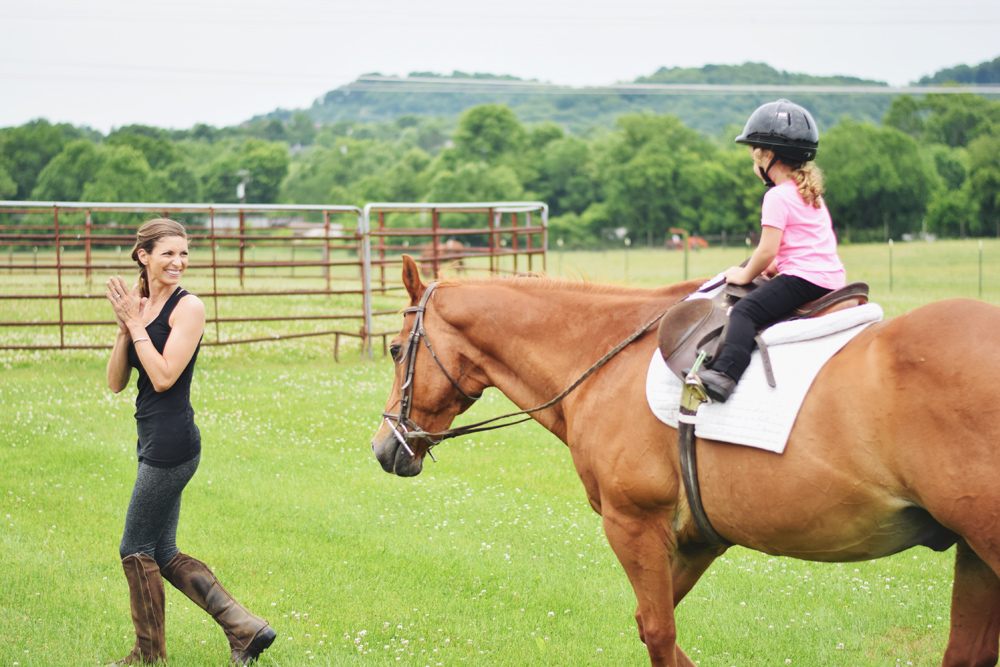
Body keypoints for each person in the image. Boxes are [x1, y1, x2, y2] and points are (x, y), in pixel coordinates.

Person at [105, 218, 275, 665]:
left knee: (134, 549)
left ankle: (148, 654)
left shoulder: (189, 307)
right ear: (144, 256)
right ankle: (247, 630)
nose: (179, 262)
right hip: (152, 439)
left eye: (184, 254)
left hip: (173, 445)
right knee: (161, 551)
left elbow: (162, 378)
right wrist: (127, 327)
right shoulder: (142, 306)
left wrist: (137, 327)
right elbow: (116, 382)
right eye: (168, 253)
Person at [697, 99, 846, 403]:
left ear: (769, 157)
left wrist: (744, 273)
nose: (754, 166)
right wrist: (778, 265)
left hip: (804, 279)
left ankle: (725, 375)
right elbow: (806, 242)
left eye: (755, 157)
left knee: (745, 311)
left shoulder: (777, 196)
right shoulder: (810, 194)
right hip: (831, 277)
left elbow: (765, 251)